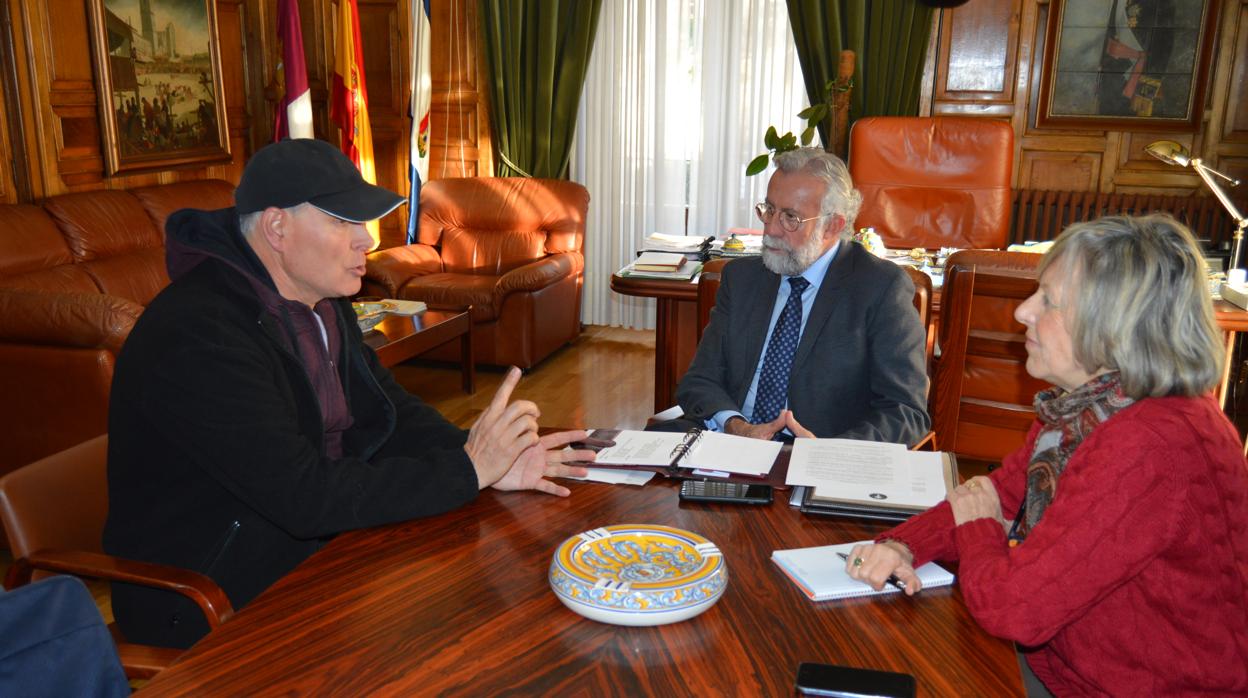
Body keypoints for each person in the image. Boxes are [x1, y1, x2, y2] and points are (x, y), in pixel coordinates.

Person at [104, 138, 593, 649]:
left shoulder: (320, 300)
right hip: (208, 594)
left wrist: (482, 457)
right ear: (277, 228)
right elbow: (302, 496)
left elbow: (387, 411)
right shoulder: (200, 336)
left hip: (312, 548)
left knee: (491, 609)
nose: (366, 240)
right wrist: (467, 470)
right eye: (343, 222)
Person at [845, 215, 1248, 695]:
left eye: (1049, 301)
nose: (1022, 312)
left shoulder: (1152, 444)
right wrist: (902, 545)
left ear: (1112, 327)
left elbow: (1015, 609)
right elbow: (998, 491)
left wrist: (978, 528)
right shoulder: (1089, 409)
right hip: (1065, 667)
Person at [659, 147, 929, 444]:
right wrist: (736, 426)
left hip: (821, 460)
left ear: (833, 225)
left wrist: (828, 454)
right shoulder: (742, 278)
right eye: (769, 210)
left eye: (791, 218)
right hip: (732, 444)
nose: (771, 228)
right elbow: (699, 380)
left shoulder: (880, 288)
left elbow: (905, 412)